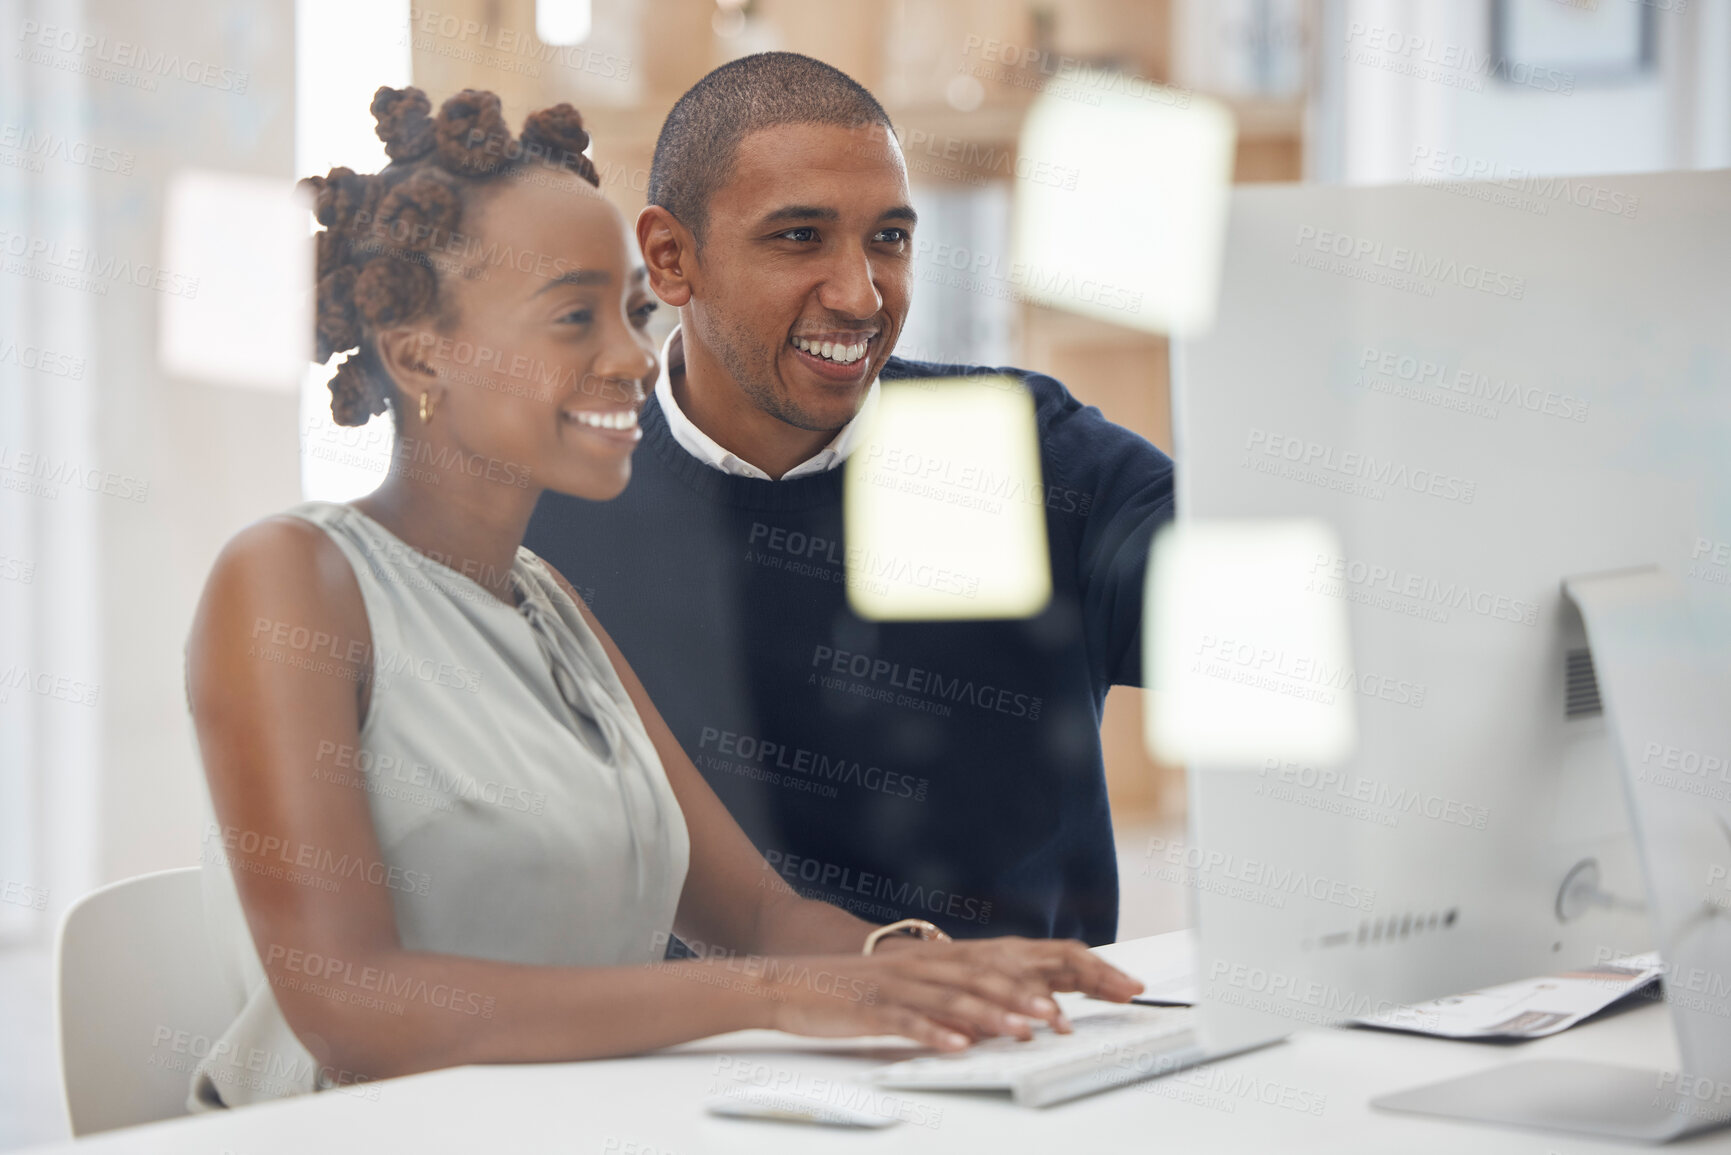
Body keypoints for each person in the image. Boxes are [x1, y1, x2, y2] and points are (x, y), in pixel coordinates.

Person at [183, 86, 1140, 1109]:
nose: (635, 358)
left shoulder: (546, 603)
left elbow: (763, 918)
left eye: (632, 312)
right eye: (572, 318)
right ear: (421, 352)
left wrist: (915, 963)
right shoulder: (292, 580)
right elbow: (354, 1011)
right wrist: (773, 995)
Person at [525, 53, 1175, 946]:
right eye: (799, 237)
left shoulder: (1029, 454)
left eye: (889, 238)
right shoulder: (545, 505)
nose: (860, 294)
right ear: (671, 259)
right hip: (677, 1072)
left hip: (1021, 1057)